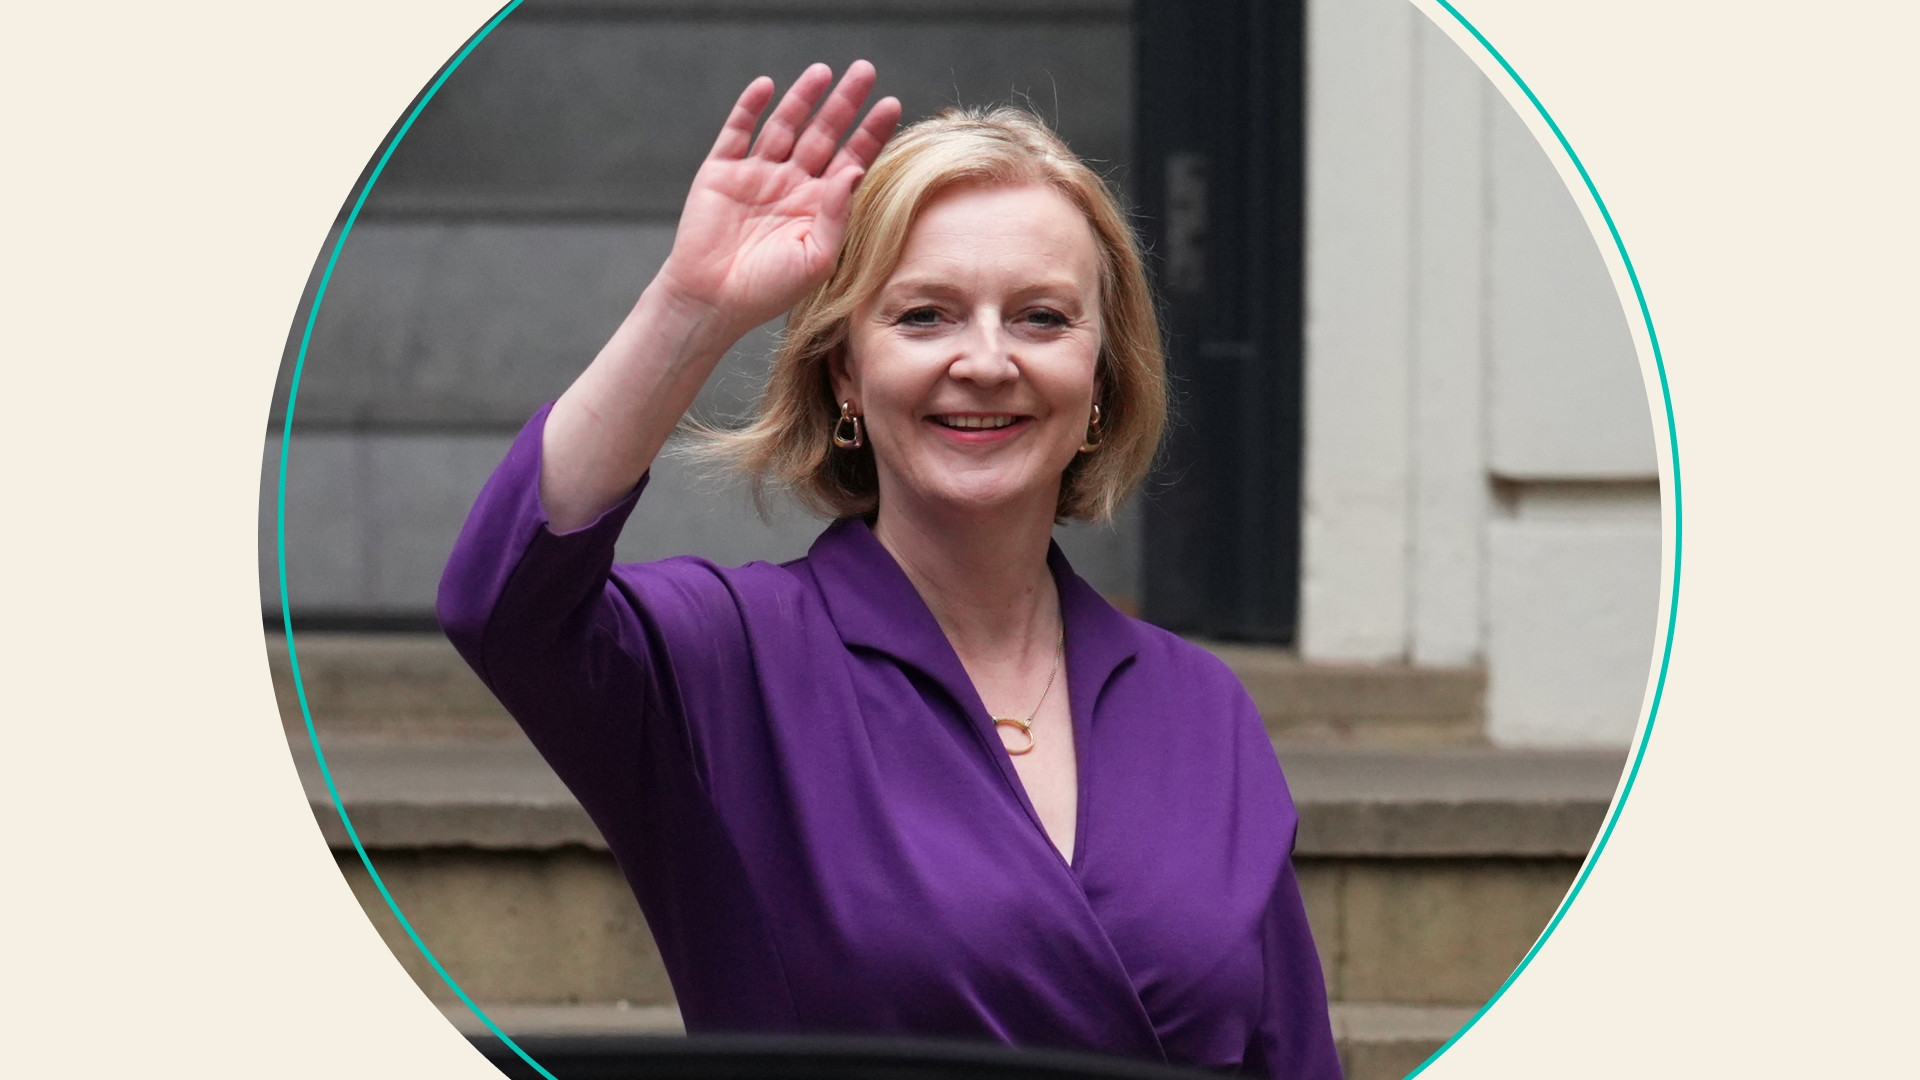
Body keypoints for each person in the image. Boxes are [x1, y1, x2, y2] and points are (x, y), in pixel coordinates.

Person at [438, 60, 1340, 1078]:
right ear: (847, 375)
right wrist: (691, 309)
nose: (988, 359)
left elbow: (1292, 1055)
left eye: (1043, 317)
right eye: (925, 316)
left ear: (1100, 379)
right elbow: (501, 602)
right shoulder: (728, 658)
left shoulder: (1199, 705)